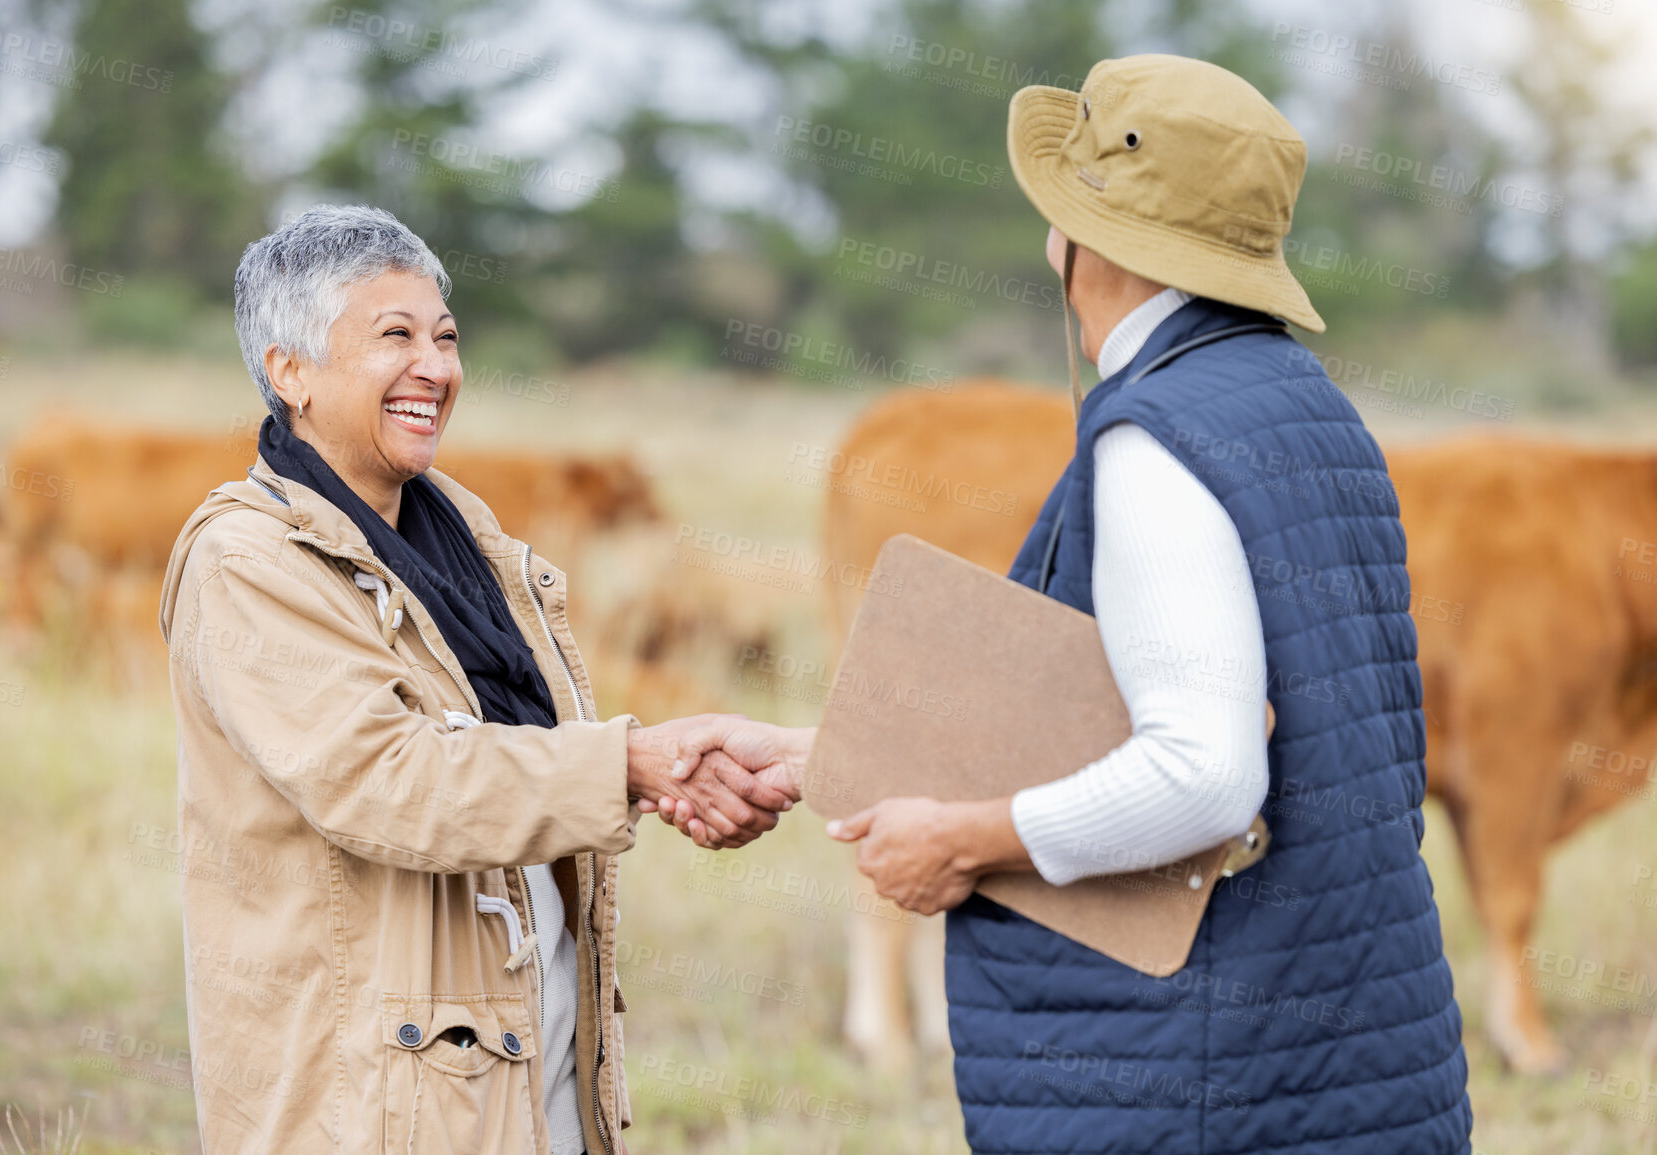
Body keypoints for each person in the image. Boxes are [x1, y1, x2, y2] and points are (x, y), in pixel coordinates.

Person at [660, 54, 1472, 1153]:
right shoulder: (1306, 409)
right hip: (1341, 1053)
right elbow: (1105, 718)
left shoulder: (1157, 435)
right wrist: (820, 755)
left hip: (1202, 1076)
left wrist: (962, 841)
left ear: (1081, 236)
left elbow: (1205, 774)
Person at [158, 204, 793, 1155]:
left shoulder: (461, 529)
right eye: (395, 337)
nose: (435, 367)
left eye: (445, 337)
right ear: (289, 371)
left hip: (515, 1058)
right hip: (367, 1099)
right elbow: (389, 781)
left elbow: (519, 747)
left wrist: (663, 763)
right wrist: (632, 763)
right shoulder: (247, 562)